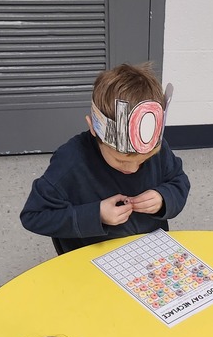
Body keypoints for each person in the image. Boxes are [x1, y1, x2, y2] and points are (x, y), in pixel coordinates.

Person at [21, 63, 190, 254]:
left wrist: (163, 198)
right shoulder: (70, 162)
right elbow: (34, 216)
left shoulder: (157, 148)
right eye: (121, 161)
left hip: (147, 256)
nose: (134, 169)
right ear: (93, 127)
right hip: (91, 259)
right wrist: (96, 215)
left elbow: (179, 181)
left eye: (143, 160)